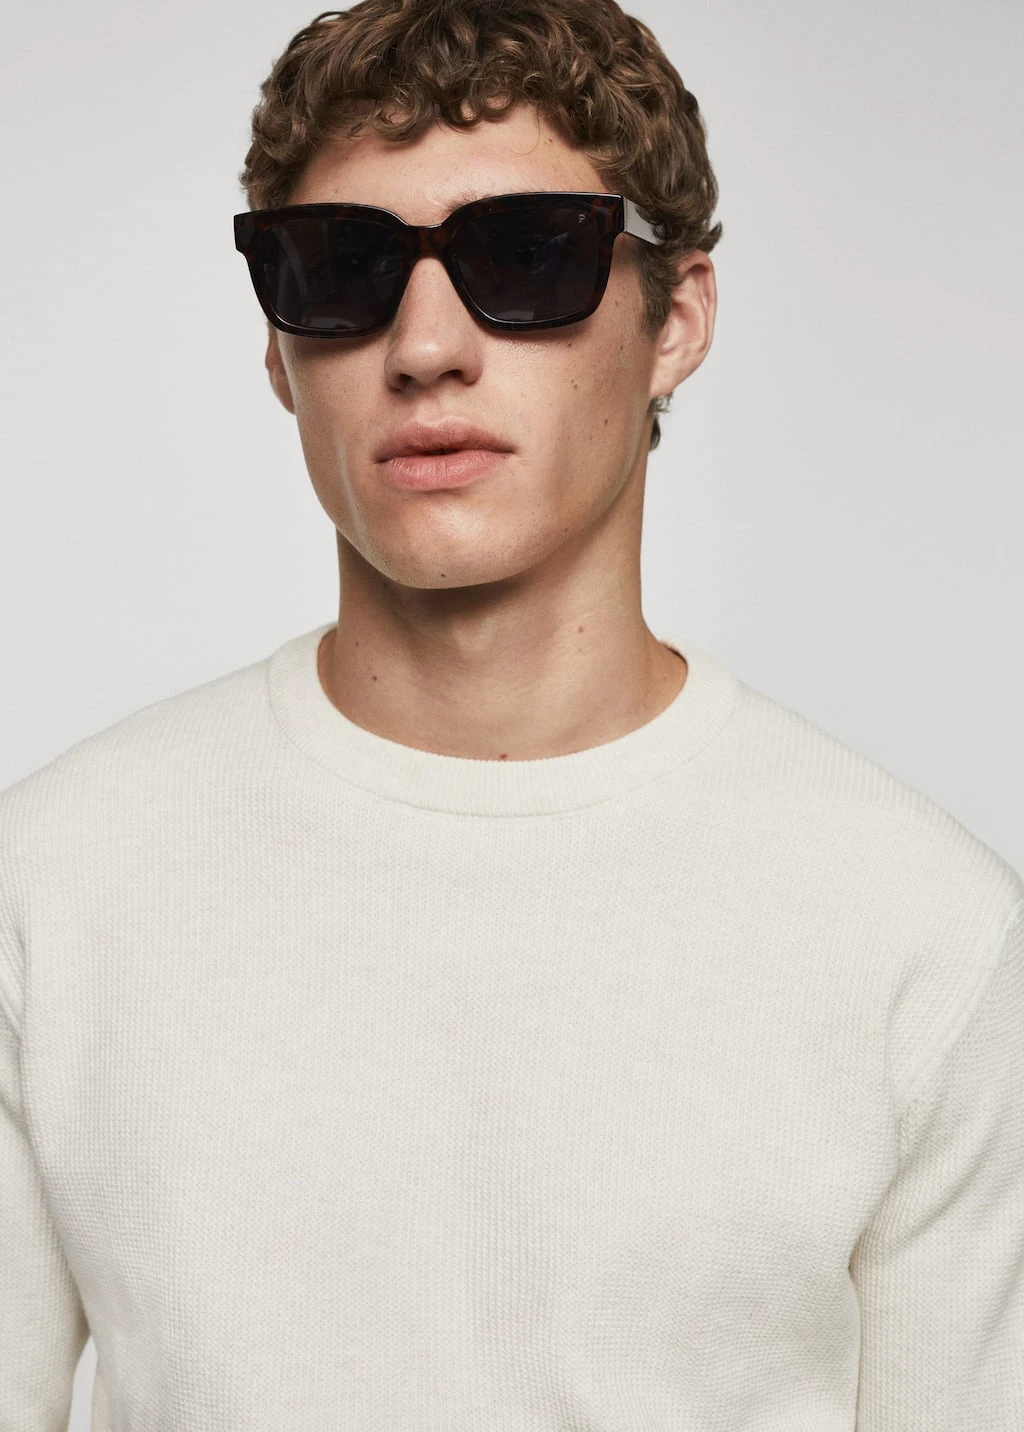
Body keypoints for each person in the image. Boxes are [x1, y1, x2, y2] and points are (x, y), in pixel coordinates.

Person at [1, 1, 1021, 1428]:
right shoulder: (52, 887)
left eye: (529, 256)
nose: (426, 346)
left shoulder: (926, 935)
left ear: (677, 321)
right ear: (279, 349)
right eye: (342, 267)